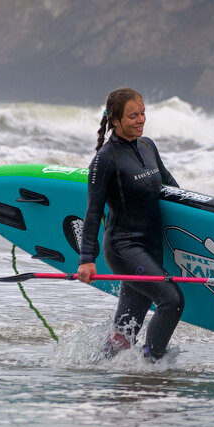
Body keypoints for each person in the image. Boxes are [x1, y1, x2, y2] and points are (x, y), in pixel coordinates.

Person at [76, 87, 184, 361]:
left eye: (143, 113)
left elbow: (171, 187)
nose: (141, 120)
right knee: (172, 301)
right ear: (115, 121)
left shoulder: (147, 147)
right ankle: (151, 364)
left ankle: (102, 366)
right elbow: (92, 212)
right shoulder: (105, 160)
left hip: (151, 247)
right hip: (124, 247)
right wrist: (87, 259)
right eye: (133, 115)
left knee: (127, 328)